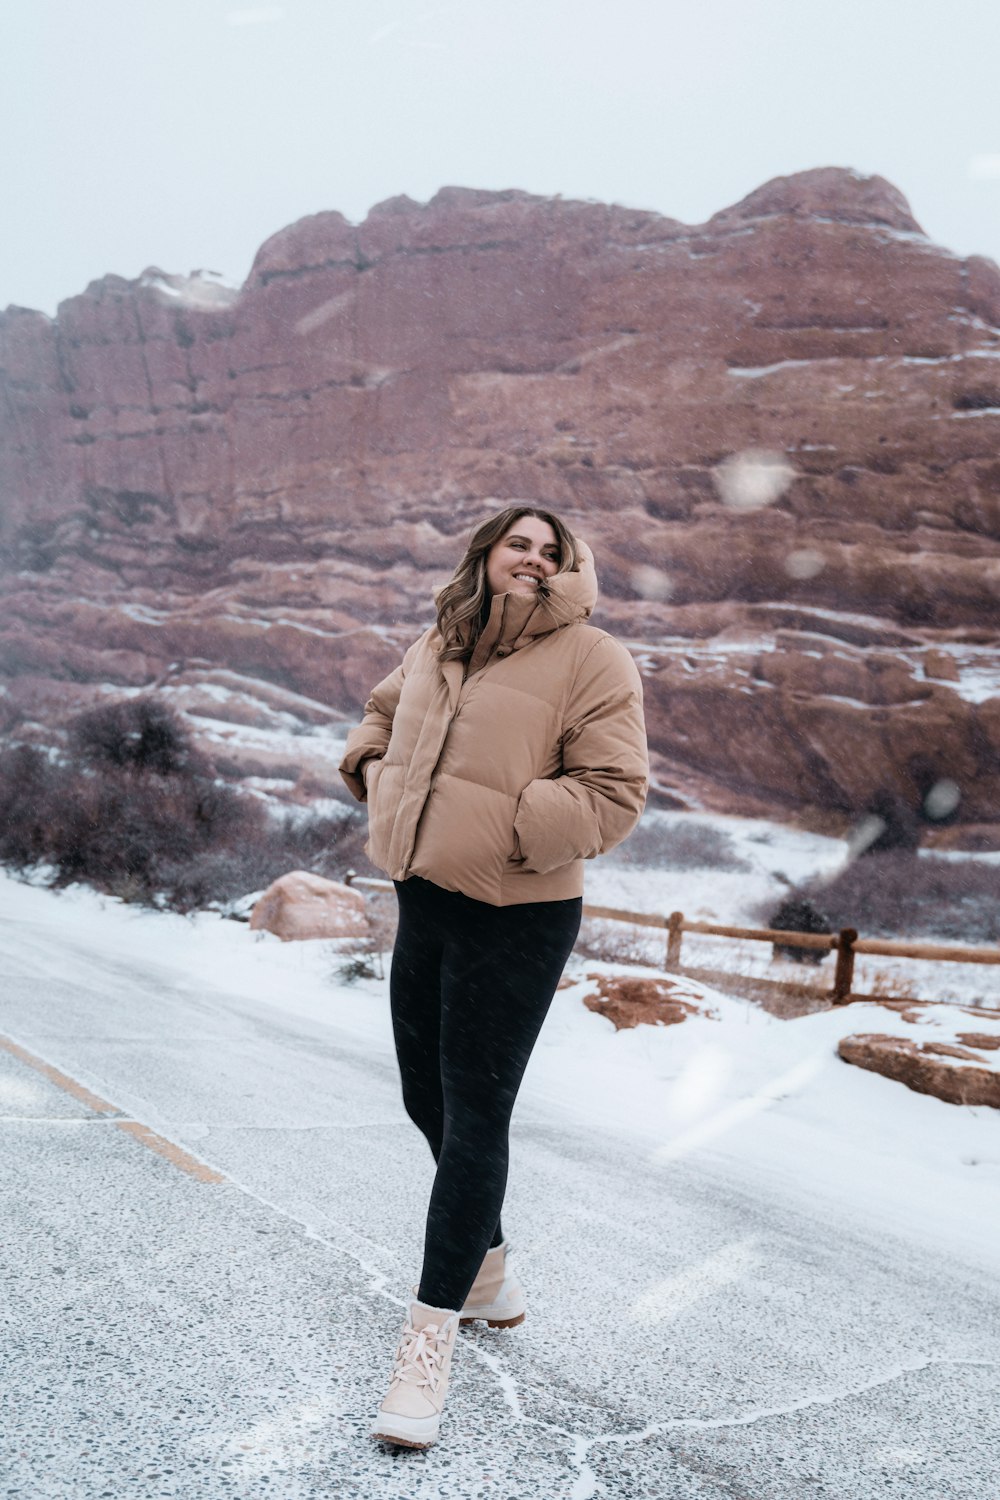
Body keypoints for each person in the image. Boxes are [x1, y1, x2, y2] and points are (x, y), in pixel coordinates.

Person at [339, 505, 648, 1449]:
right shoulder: (441, 637)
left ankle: (427, 1345)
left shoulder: (594, 658)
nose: (535, 560)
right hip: (428, 895)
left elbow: (614, 791)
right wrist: (373, 772)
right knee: (422, 1097)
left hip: (519, 914)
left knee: (476, 1118)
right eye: (520, 543)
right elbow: (385, 715)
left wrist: (503, 827)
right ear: (488, 552)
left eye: (553, 552)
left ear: (570, 570)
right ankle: (490, 1273)